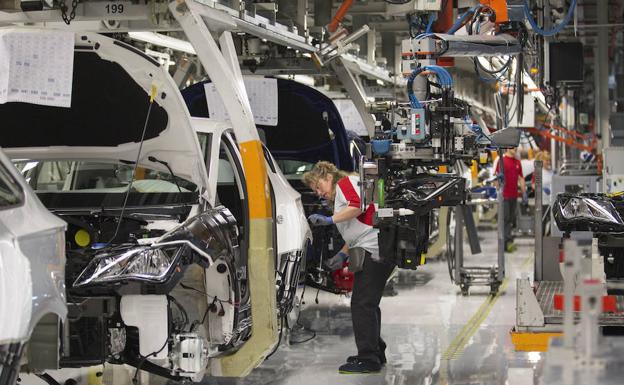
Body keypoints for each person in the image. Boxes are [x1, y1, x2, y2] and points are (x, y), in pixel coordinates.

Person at [303, 161, 395, 374]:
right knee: (368, 302)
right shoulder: (344, 188)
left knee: (362, 304)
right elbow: (357, 226)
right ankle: (375, 350)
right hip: (371, 247)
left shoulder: (344, 183)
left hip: (375, 250)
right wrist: (343, 253)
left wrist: (329, 219)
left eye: (318, 186)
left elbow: (357, 207)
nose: (318, 193)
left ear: (327, 176)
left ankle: (368, 358)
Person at [494, 148, 526, 252]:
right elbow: (497, 178)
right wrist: (498, 192)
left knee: (511, 220)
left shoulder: (517, 162)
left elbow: (521, 178)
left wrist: (524, 192)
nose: (515, 149)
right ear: (507, 148)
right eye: (512, 147)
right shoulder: (502, 161)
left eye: (516, 147)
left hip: (514, 196)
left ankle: (507, 241)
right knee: (505, 219)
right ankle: (506, 243)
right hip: (504, 196)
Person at [532, 151, 554, 234]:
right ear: (541, 161)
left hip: (551, 201)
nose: (548, 162)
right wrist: (541, 188)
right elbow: (533, 185)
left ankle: (548, 238)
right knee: (542, 222)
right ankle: (540, 240)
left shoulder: (551, 172)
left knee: (553, 222)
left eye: (549, 160)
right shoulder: (538, 172)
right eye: (546, 160)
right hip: (542, 202)